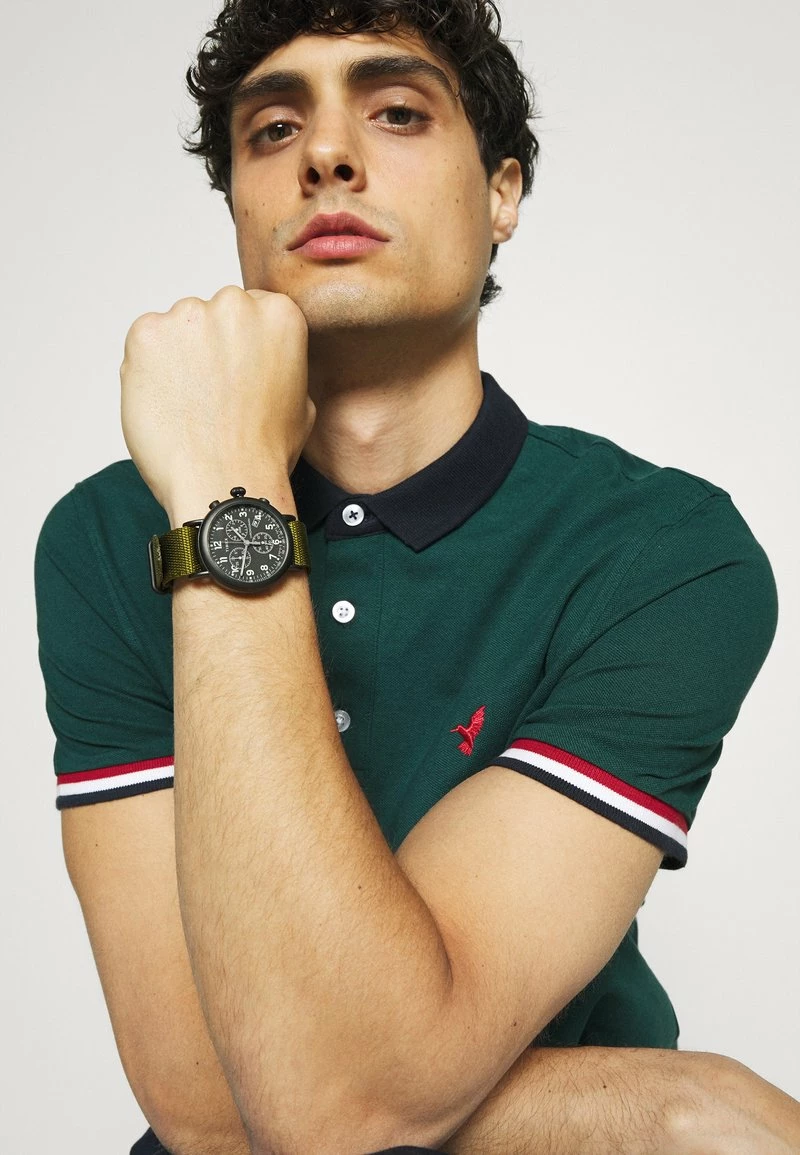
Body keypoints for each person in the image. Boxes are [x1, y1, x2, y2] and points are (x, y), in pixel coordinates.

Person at [33, 2, 799, 1153]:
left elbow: (332, 1103)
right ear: (236, 209)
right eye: (273, 130)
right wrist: (660, 1110)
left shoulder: (659, 551)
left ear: (501, 195)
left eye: (395, 112)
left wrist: (216, 504)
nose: (325, 154)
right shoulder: (111, 534)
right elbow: (221, 1109)